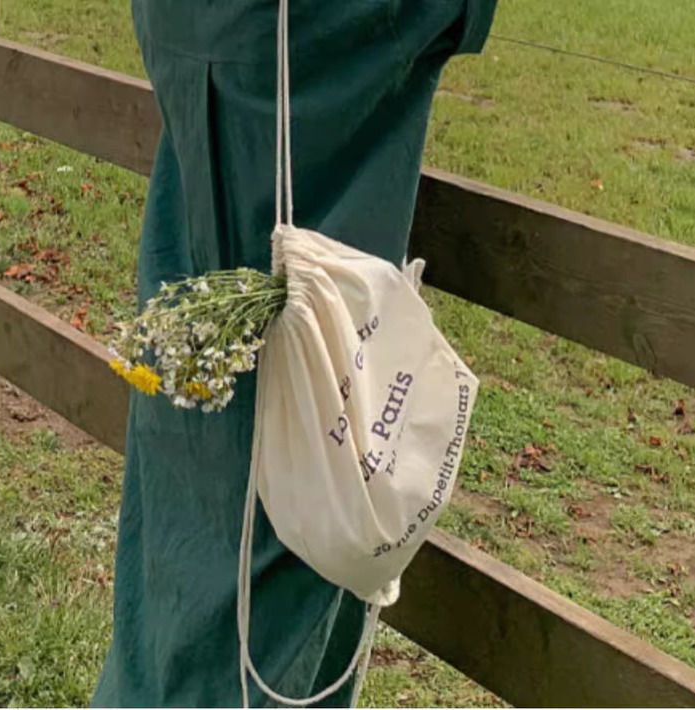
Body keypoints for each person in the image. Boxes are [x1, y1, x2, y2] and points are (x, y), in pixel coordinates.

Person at [91, 0, 497, 706]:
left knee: (165, 623)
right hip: (307, 402)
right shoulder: (320, 23)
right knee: (261, 640)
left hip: (192, 353)